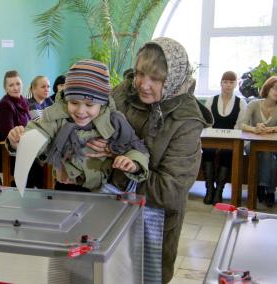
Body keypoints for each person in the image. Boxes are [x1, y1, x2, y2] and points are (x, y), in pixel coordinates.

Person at [88, 37, 213, 283]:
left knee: (145, 277)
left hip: (153, 223)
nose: (143, 85)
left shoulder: (186, 121)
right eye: (140, 73)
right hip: (110, 211)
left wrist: (121, 158)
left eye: (155, 79)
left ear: (173, 79)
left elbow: (170, 191)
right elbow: (90, 124)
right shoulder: (125, 92)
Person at [7, 59, 150, 192]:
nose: (81, 111)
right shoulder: (57, 115)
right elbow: (40, 131)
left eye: (89, 105)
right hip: (64, 186)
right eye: (74, 103)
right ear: (66, 99)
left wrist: (134, 163)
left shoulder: (114, 121)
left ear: (102, 103)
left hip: (101, 191)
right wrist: (20, 141)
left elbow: (136, 147)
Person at [0, 70, 43, 188]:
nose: (15, 88)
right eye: (11, 85)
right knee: (33, 168)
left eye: (18, 84)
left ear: (22, 84)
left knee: (41, 164)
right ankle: (21, 198)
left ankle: (33, 198)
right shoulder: (4, 106)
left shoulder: (24, 101)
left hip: (15, 151)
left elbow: (30, 126)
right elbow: (10, 136)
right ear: (5, 88)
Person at [202, 71, 247, 205]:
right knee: (208, 151)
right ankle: (209, 190)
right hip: (212, 138)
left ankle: (219, 191)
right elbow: (207, 121)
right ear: (221, 83)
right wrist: (213, 139)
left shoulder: (241, 102)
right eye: (225, 82)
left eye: (231, 82)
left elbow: (239, 125)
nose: (228, 85)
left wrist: (227, 141)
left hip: (231, 140)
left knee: (227, 154)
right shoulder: (211, 100)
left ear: (235, 85)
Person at [236, 75, 277, 207]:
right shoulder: (254, 104)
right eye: (275, 89)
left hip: (271, 146)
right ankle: (269, 192)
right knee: (266, 153)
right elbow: (241, 124)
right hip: (251, 144)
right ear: (268, 89)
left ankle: (261, 188)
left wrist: (271, 129)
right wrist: (255, 129)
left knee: (270, 156)